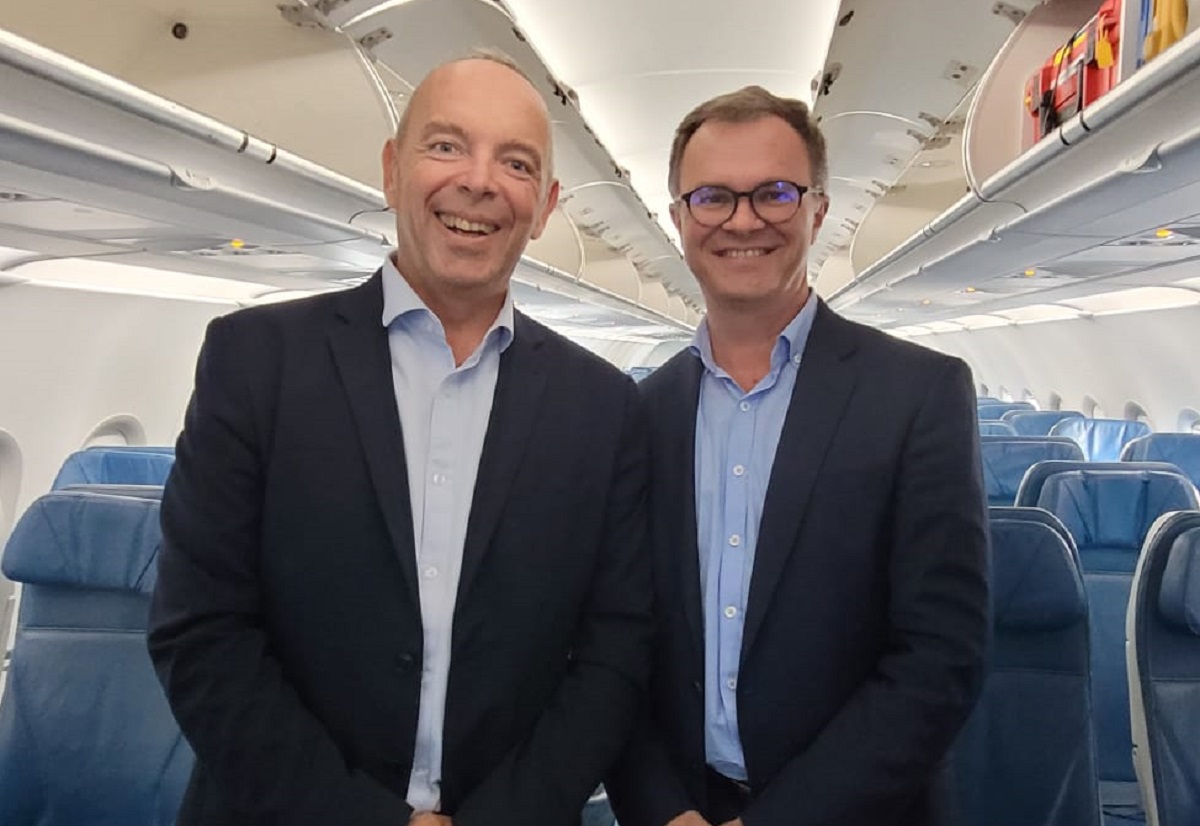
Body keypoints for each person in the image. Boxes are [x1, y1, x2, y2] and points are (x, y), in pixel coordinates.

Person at [148, 51, 652, 826]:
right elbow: (201, 630)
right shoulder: (256, 361)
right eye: (446, 146)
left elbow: (614, 650)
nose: (479, 181)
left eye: (514, 162)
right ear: (392, 170)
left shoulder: (604, 406)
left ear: (546, 205)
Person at [606, 85, 989, 826]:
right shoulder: (637, 416)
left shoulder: (920, 394)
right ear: (679, 219)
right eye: (713, 197)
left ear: (818, 208)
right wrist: (659, 809)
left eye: (774, 194)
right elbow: (617, 644)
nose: (742, 220)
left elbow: (941, 657)